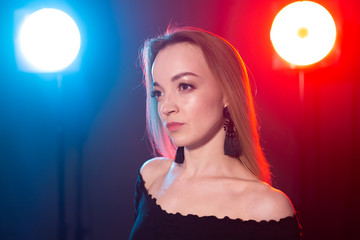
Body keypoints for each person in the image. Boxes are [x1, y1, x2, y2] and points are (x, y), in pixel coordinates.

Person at [129, 27, 302, 239]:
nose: (166, 107)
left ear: (227, 93)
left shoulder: (266, 207)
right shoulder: (152, 176)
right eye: (158, 93)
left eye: (184, 86)